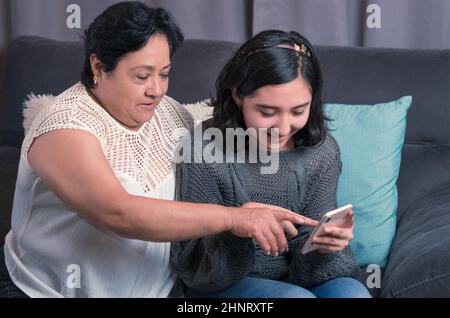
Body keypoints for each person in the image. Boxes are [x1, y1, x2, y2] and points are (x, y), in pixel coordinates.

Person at [0, 3, 316, 298]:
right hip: (47, 291)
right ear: (98, 66)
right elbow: (117, 212)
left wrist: (259, 211)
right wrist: (235, 218)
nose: (156, 89)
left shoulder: (170, 114)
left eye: (163, 74)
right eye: (142, 76)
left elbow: (206, 186)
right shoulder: (65, 126)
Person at [170, 30, 372, 298]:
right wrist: (237, 227)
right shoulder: (204, 148)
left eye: (299, 110)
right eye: (267, 112)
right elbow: (194, 265)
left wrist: (324, 246)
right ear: (237, 95)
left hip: (298, 279)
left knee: (352, 294)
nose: (283, 127)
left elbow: (310, 251)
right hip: (219, 285)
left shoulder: (321, 151)